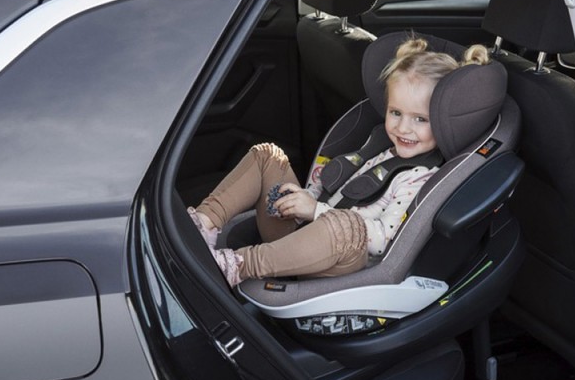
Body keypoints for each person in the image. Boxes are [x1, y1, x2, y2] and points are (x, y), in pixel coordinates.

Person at [188, 37, 492, 287]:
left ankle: (237, 266)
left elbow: (382, 240)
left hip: (338, 265)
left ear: (443, 121)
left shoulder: (418, 177)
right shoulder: (380, 146)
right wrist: (303, 198)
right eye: (396, 113)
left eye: (420, 119)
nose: (403, 128)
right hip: (302, 238)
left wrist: (316, 211)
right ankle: (203, 224)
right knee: (267, 155)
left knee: (345, 226)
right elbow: (334, 188)